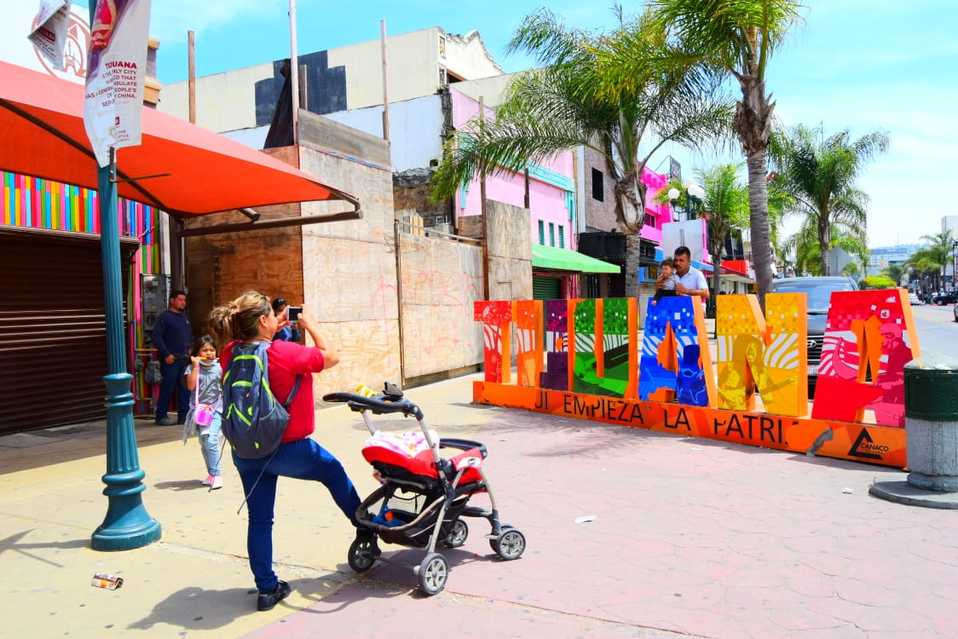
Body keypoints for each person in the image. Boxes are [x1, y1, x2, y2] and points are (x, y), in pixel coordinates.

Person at [209, 291, 369, 612]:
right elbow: (331, 355)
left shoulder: (230, 352)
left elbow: (256, 343)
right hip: (290, 449)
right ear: (265, 320)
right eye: (272, 315)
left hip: (246, 451)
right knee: (333, 472)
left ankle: (267, 589)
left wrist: (273, 328)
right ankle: (365, 528)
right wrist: (311, 325)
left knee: (260, 519)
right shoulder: (285, 353)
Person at [183, 335, 224, 490]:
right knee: (204, 442)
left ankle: (217, 474)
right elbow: (191, 386)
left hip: (216, 409)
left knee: (210, 439)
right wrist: (195, 367)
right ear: (197, 352)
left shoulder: (220, 367)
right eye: (204, 350)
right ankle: (211, 474)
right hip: (200, 411)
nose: (209, 353)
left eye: (211, 349)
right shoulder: (192, 368)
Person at [153, 290, 193, 425]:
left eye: (184, 300)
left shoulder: (185, 318)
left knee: (185, 389)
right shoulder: (164, 317)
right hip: (171, 360)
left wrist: (190, 350)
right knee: (167, 388)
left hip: (184, 359)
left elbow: (188, 336)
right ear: (172, 300)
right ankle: (161, 416)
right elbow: (156, 338)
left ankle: (184, 417)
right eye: (180, 300)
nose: (183, 302)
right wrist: (166, 354)